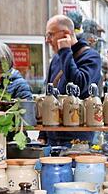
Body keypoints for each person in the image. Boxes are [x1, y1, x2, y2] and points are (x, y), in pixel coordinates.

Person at [40, 15, 101, 146]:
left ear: (66, 33)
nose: (47, 40)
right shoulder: (57, 59)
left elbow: (79, 86)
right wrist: (43, 134)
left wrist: (65, 51)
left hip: (77, 139)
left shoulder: (91, 57)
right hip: (52, 137)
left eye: (51, 35)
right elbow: (49, 95)